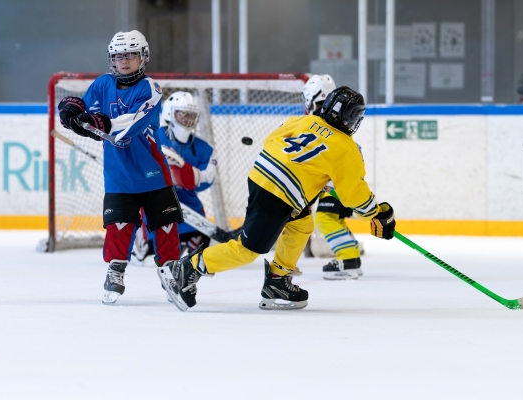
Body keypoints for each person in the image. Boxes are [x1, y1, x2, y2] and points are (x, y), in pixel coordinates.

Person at [159, 86, 396, 312]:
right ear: (351, 118)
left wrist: (307, 171)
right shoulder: (347, 148)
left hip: (260, 176)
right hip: (280, 193)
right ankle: (186, 268)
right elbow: (353, 194)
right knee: (247, 250)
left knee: (302, 224)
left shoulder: (304, 120)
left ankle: (278, 280)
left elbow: (271, 140)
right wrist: (378, 213)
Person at [57, 30, 182, 305]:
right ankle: (115, 270)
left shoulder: (151, 89)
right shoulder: (103, 84)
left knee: (166, 226)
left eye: (130, 55)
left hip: (152, 174)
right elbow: (86, 111)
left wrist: (101, 122)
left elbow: (132, 122)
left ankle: (171, 270)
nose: (123, 61)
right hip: (119, 175)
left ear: (143, 57)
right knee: (118, 226)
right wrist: (72, 111)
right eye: (118, 56)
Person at [133, 91, 219, 260]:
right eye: (183, 114)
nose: (188, 119)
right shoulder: (150, 137)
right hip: (156, 208)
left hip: (189, 210)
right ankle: (141, 242)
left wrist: (182, 169)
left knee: (200, 259)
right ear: (170, 113)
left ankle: (182, 243)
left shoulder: (205, 148)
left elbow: (206, 180)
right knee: (152, 259)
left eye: (191, 115)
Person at [302, 74, 364, 280]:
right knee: (333, 217)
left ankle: (348, 261)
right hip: (341, 176)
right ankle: (351, 256)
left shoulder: (318, 120)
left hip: (337, 178)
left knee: (325, 217)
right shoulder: (337, 115)